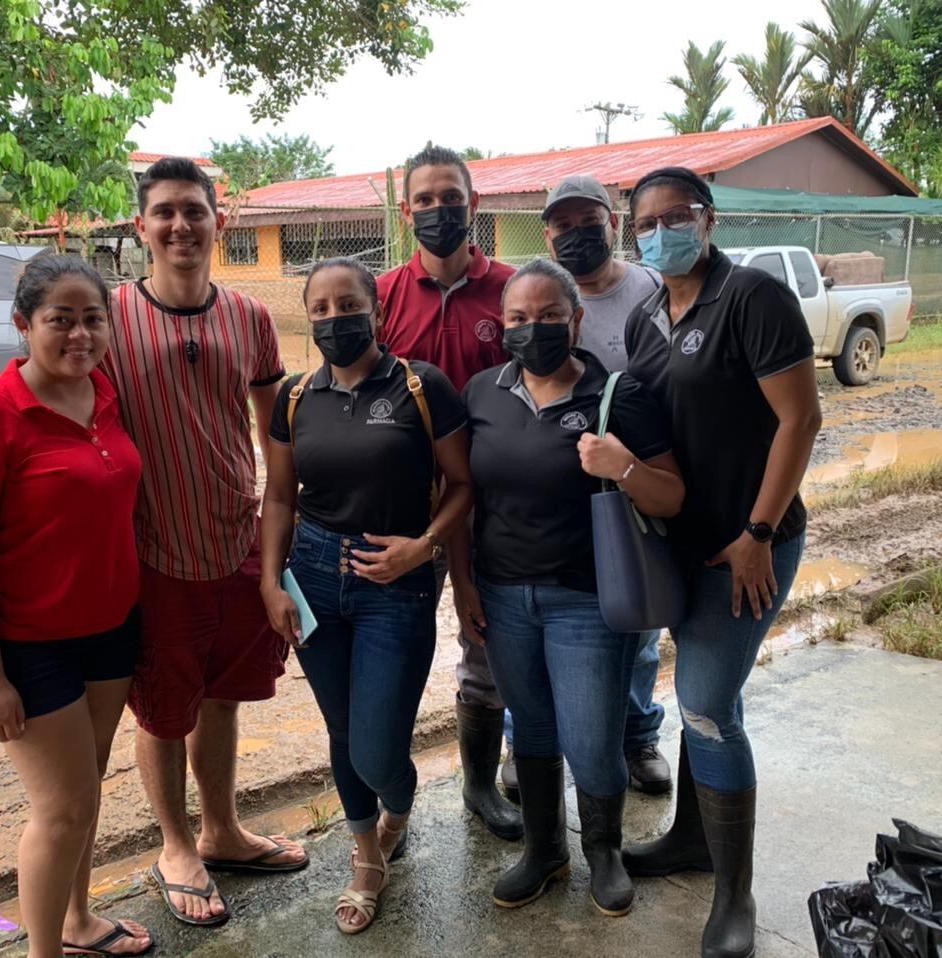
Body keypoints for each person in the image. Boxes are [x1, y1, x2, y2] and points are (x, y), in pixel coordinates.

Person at [0, 157, 308, 929]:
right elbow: (21, 405)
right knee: (163, 712)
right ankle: (175, 847)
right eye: (164, 211)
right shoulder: (107, 316)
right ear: (141, 226)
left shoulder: (251, 318)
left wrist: (283, 533)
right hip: (154, 555)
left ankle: (222, 829)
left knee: (222, 698)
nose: (181, 225)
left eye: (195, 210)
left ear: (218, 221)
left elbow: (277, 436)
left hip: (233, 545)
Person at [619, 167, 822, 958]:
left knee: (706, 702)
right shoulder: (644, 318)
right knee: (691, 687)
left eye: (678, 215)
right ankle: (688, 839)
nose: (661, 230)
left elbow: (800, 420)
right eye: (647, 220)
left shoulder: (752, 299)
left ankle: (733, 895)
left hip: (749, 545)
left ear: (708, 219)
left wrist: (759, 532)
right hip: (681, 543)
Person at [451, 259, 685, 917]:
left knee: (590, 736)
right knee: (532, 731)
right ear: (502, 327)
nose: (534, 330)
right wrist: (463, 583)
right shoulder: (482, 393)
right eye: (519, 319)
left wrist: (626, 466)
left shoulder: (619, 396)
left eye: (550, 316)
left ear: (576, 320)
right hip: (502, 596)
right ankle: (546, 849)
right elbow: (466, 495)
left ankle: (604, 851)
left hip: (584, 600)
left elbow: (670, 497)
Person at [0, 256, 152, 957]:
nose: (79, 334)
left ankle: (78, 921)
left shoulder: (105, 397)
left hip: (110, 630)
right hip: (28, 646)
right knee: (61, 811)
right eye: (59, 319)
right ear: (23, 325)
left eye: (93, 318)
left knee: (85, 792)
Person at [260, 257, 473, 933]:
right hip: (315, 574)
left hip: (398, 577)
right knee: (343, 730)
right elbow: (277, 497)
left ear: (376, 311)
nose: (332, 318)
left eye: (346, 304)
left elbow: (465, 485)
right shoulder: (294, 397)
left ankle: (398, 807)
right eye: (318, 308)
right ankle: (366, 853)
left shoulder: (420, 386)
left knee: (378, 748)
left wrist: (426, 545)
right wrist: (270, 581)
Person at [377, 144, 522, 840]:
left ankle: (480, 787)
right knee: (394, 656)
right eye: (425, 200)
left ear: (474, 204)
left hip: (495, 503)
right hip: (403, 512)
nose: (440, 210)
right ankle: (386, 805)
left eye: (451, 197)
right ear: (406, 213)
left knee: (484, 645)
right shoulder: (377, 299)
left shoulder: (514, 291)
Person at [542, 174, 671, 796]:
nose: (576, 233)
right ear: (547, 233)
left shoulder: (651, 289)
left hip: (632, 481)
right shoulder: (545, 296)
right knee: (543, 622)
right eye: (562, 224)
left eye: (587, 220)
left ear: (613, 222)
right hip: (558, 490)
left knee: (637, 622)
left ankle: (638, 735)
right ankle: (527, 741)